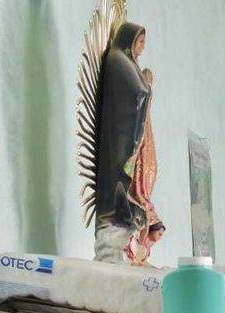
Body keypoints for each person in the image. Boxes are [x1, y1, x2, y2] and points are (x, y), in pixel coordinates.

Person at [93, 23, 165, 265]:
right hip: (120, 137)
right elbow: (136, 93)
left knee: (145, 173)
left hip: (131, 133)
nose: (142, 47)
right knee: (123, 183)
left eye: (144, 43)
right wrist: (146, 87)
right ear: (129, 40)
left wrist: (146, 87)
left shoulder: (128, 63)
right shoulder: (118, 60)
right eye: (140, 42)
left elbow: (140, 93)